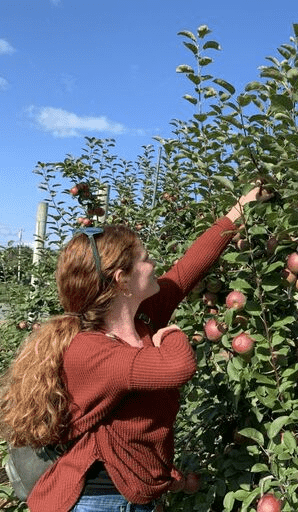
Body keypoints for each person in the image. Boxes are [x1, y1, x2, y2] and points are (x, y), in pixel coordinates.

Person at [0, 187, 260, 511]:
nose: (154, 264)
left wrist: (238, 210)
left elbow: (188, 268)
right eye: (146, 259)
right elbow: (178, 366)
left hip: (131, 496)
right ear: (122, 279)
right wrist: (172, 333)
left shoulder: (143, 317)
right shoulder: (91, 350)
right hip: (96, 501)